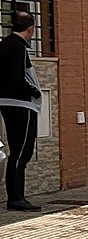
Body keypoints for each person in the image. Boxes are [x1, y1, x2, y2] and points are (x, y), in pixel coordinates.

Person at [0, 11, 43, 210]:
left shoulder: (5, 44)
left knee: (16, 151)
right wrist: (34, 90)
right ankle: (16, 198)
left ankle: (16, 197)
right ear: (31, 28)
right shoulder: (17, 47)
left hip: (7, 103)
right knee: (21, 152)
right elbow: (18, 77)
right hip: (21, 105)